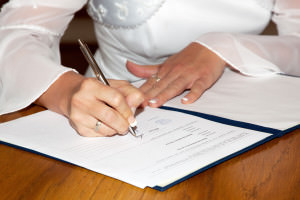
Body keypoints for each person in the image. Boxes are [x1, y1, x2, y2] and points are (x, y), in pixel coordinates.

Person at [0, 0, 299, 137]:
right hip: (113, 103)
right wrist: (65, 90)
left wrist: (225, 47)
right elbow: (17, 30)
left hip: (253, 113)